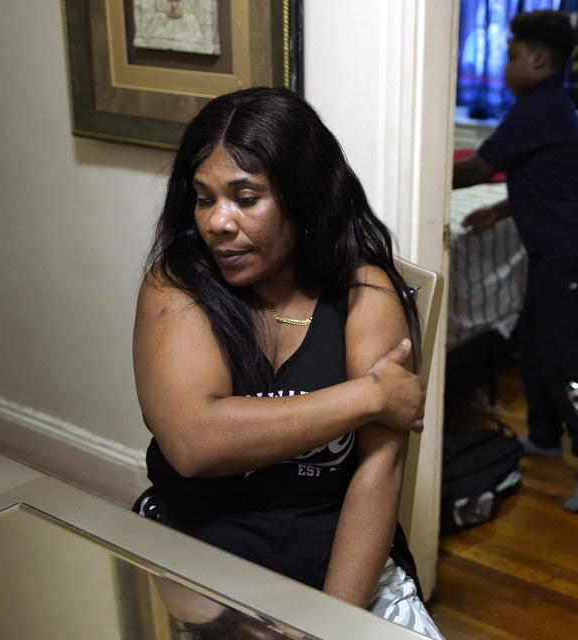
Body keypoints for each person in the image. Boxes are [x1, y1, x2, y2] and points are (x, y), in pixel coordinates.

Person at [131, 87, 443, 639]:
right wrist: (368, 396)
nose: (217, 223)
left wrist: (321, 625)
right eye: (204, 199)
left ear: (302, 198)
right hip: (198, 552)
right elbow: (194, 443)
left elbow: (377, 475)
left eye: (245, 198)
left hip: (334, 563)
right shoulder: (176, 287)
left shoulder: (365, 292)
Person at [452, 10, 578, 513]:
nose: (504, 67)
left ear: (539, 59)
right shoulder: (549, 106)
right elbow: (550, 177)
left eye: (509, 57)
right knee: (530, 342)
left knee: (566, 357)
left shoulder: (539, 108)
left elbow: (480, 167)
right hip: (564, 253)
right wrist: (502, 208)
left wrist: (416, 172)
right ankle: (545, 436)